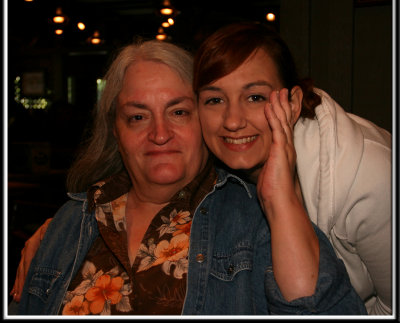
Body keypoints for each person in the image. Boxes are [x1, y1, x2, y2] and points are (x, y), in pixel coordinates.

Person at [8, 39, 366, 315]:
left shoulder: (256, 222)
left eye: (178, 111)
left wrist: (279, 199)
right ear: (115, 130)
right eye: (137, 117)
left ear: (203, 121)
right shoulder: (70, 222)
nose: (160, 133)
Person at [192, 22, 392, 315]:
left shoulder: (369, 177)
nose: (232, 120)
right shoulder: (209, 177)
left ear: (293, 102)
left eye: (255, 97)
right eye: (215, 100)